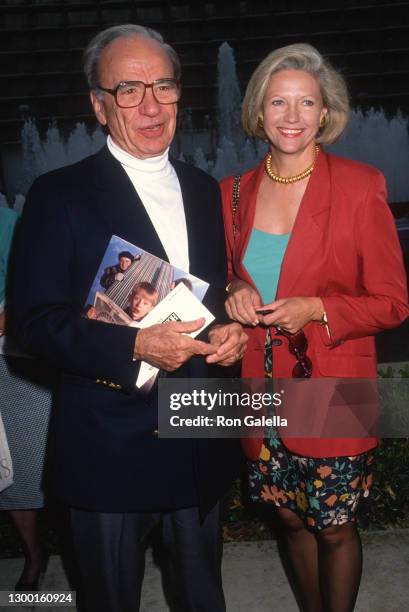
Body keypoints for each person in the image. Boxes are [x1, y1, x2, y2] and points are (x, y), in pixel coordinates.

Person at [11, 24, 247, 612]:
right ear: (98, 104)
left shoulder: (201, 188)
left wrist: (226, 330)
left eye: (163, 86)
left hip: (200, 431)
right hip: (109, 446)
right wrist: (135, 346)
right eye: (128, 89)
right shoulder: (57, 194)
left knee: (202, 596)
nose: (149, 105)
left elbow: (207, 295)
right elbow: (33, 324)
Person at [220, 43, 408, 612]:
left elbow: (394, 302)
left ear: (326, 112)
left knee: (332, 526)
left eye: (307, 102)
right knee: (288, 518)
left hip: (332, 383)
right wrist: (234, 292)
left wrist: (318, 308)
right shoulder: (231, 194)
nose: (293, 115)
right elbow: (229, 274)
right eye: (279, 102)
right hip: (262, 386)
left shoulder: (359, 185)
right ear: (259, 111)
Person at [0, 206, 52, 590]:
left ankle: (43, 553)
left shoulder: (7, 221)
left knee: (32, 461)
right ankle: (35, 553)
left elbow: (30, 293)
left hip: (12, 360)